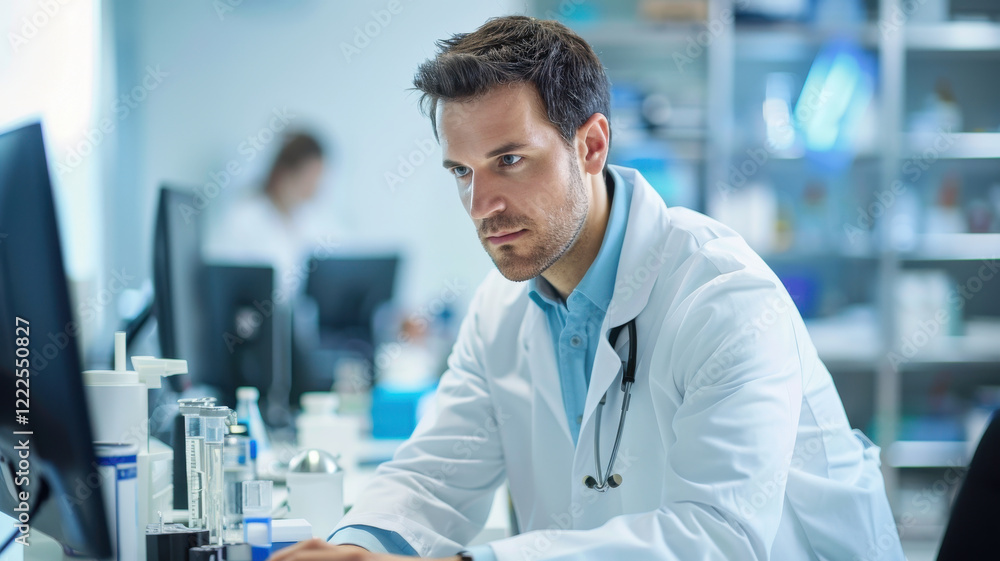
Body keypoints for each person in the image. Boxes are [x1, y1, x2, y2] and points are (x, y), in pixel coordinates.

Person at [270, 16, 904, 561]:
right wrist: (359, 545)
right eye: (461, 171)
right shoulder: (501, 313)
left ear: (592, 145)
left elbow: (719, 538)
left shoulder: (724, 299)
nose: (480, 204)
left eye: (509, 160)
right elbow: (433, 477)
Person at [204, 131, 328, 295]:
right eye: (308, 180)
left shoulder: (305, 220)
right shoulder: (244, 215)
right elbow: (218, 278)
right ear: (284, 175)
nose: (312, 191)